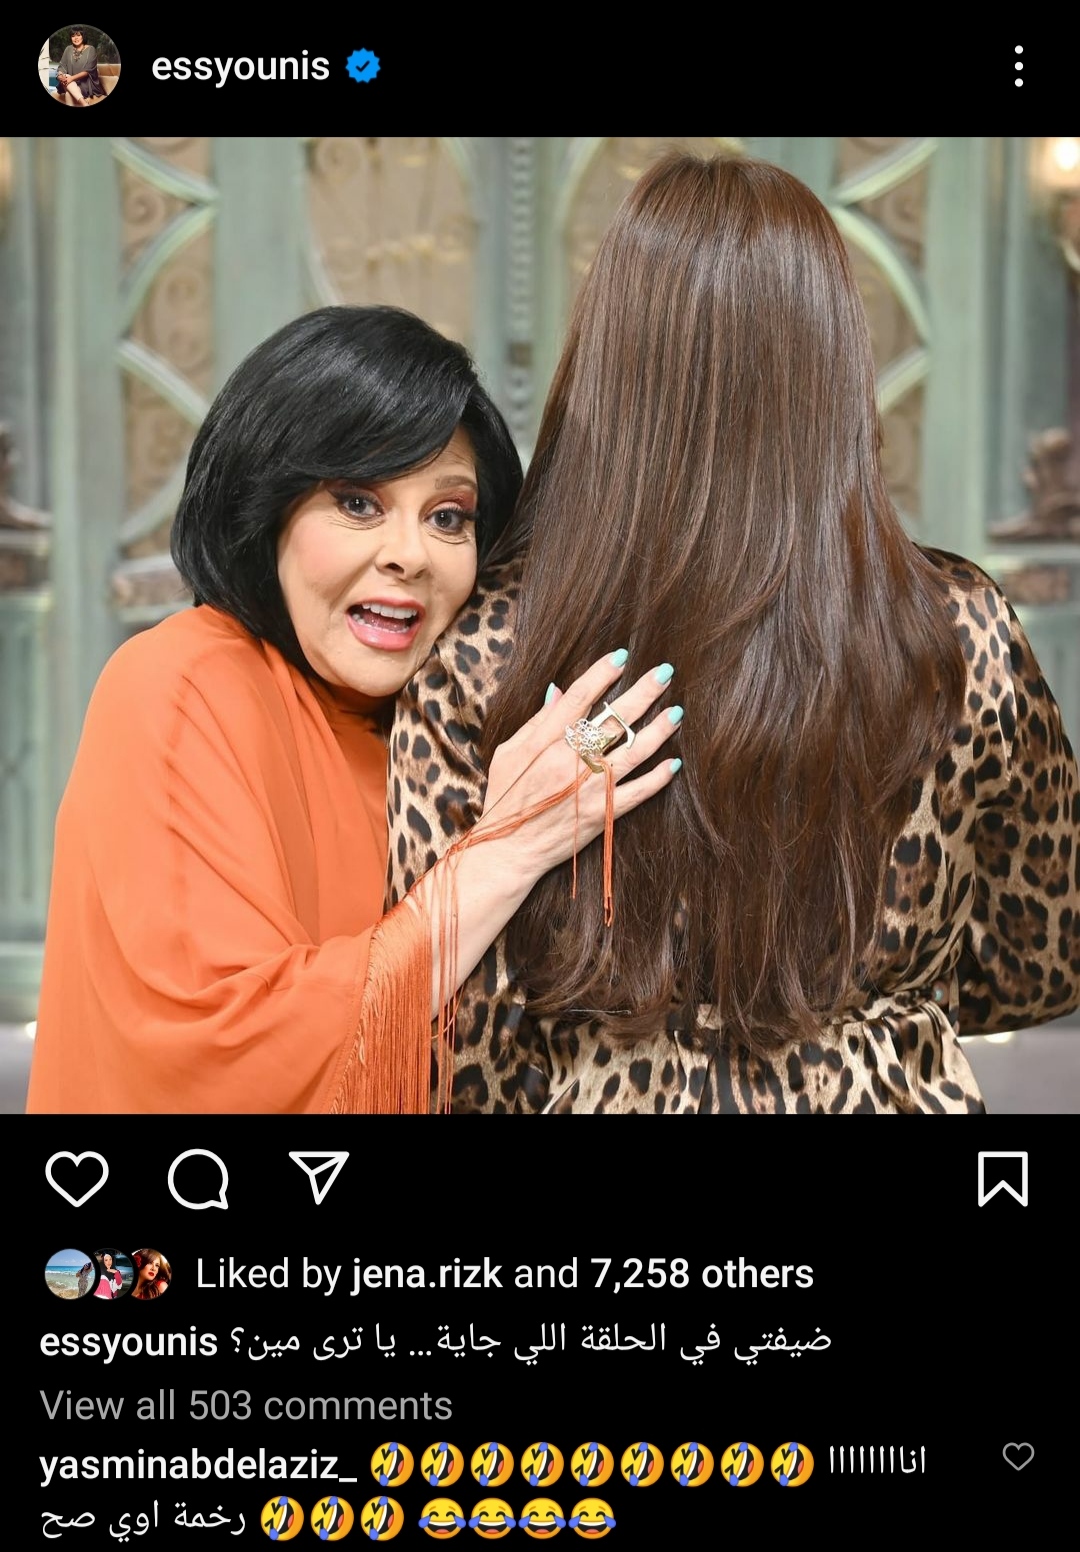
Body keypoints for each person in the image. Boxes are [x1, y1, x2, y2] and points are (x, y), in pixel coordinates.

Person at [387, 151, 1080, 1115]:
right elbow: (1041, 960)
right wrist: (874, 1017)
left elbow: (452, 1037)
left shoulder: (488, 649)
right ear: (837, 365)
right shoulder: (961, 632)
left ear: (605, 367)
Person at [26, 306, 681, 1114]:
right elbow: (234, 1059)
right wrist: (509, 849)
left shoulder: (435, 724)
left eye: (448, 517)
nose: (409, 554)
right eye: (358, 504)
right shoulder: (179, 685)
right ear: (266, 507)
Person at [55, 28, 105, 105]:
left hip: (86, 84)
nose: (76, 38)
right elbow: (62, 66)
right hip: (68, 82)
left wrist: (71, 78)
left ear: (83, 36)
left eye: (78, 35)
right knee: (66, 77)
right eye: (73, 36)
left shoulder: (91, 50)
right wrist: (60, 76)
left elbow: (88, 71)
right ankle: (85, 104)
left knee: (69, 94)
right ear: (70, 38)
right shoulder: (68, 49)